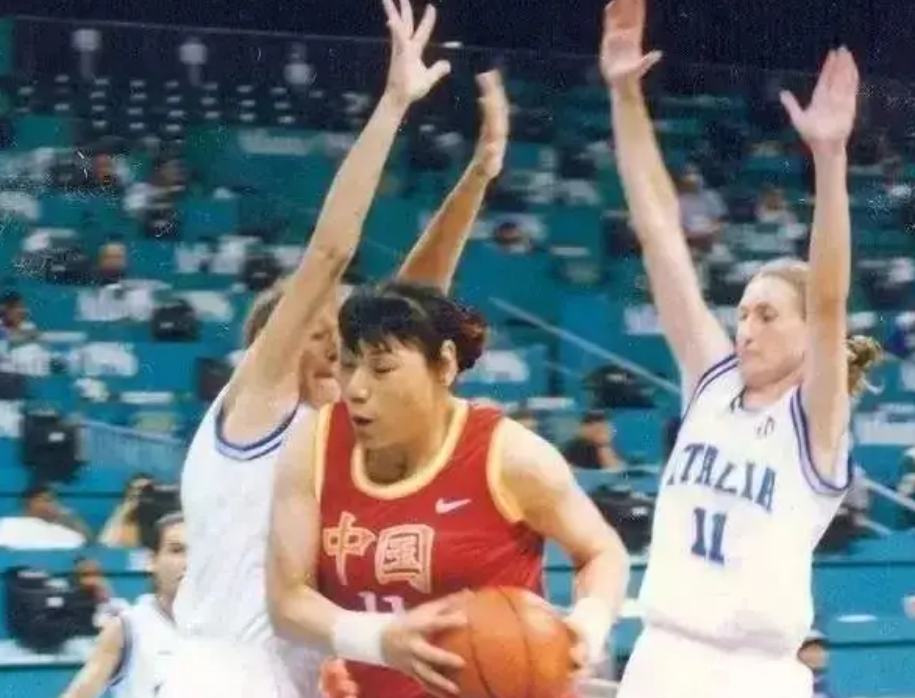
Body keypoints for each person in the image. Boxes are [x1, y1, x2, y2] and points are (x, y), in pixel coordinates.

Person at [159, 2, 509, 697]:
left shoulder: (334, 433)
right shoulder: (253, 412)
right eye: (320, 336)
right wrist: (394, 103)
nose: (337, 352)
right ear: (266, 347)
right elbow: (329, 252)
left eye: (346, 345)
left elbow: (413, 308)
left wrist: (478, 175)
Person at [600, 1, 882, 697]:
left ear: (807, 336)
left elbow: (828, 299)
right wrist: (624, 95)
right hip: (661, 656)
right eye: (743, 313)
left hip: (751, 674)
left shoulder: (815, 420)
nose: (746, 327)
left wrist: (829, 158)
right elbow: (659, 233)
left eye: (766, 315)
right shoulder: (712, 378)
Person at [266, 280, 630, 697]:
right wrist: (380, 640)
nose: (356, 389)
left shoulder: (511, 457)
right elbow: (287, 599)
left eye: (381, 369)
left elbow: (601, 551)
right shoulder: (314, 445)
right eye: (348, 365)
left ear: (444, 364)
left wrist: (586, 627)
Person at [57, 513, 187, 698]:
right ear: (152, 560)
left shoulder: (225, 627)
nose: (188, 562)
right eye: (177, 550)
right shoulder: (128, 627)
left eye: (197, 553)